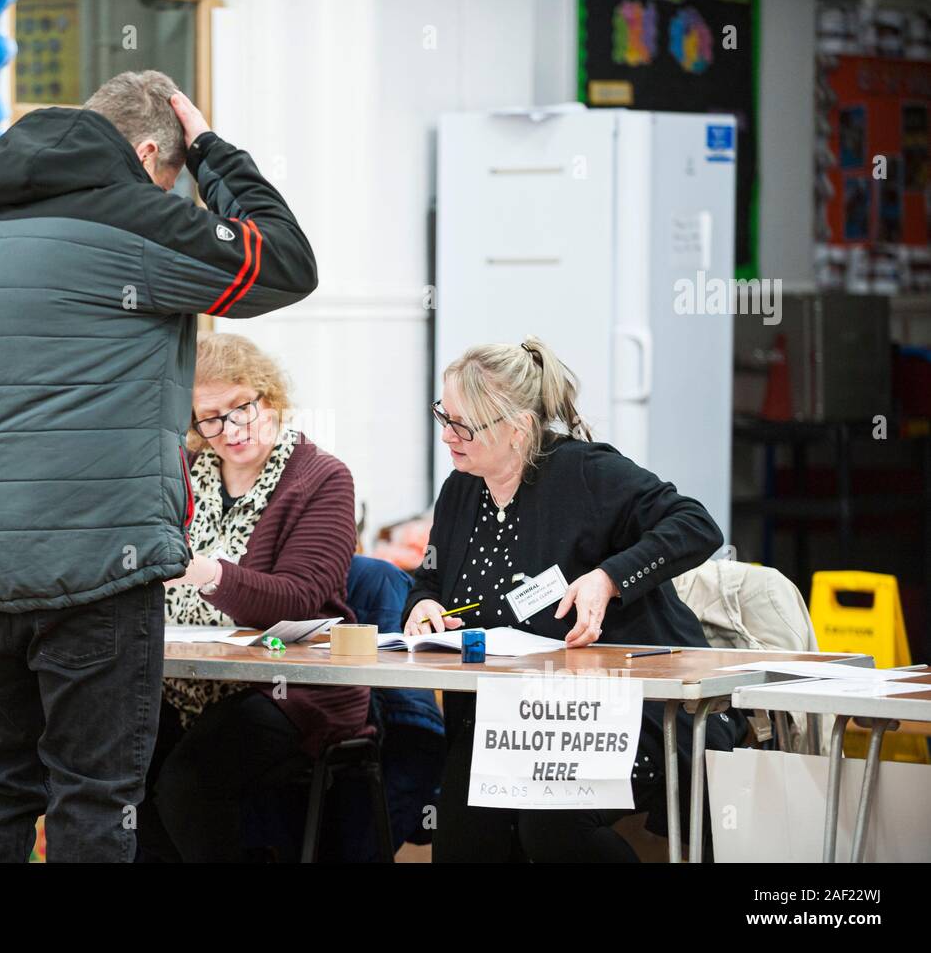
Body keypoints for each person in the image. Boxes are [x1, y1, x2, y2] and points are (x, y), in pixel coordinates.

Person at [0, 70, 318, 862]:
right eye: (173, 173)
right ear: (153, 151)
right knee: (94, 800)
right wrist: (214, 152)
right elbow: (285, 259)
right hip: (102, 574)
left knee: (0, 792)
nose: (173, 191)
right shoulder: (142, 224)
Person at [403, 336, 741, 862]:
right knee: (463, 834)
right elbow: (430, 580)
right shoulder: (461, 490)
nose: (447, 434)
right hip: (508, 723)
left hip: (624, 711)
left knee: (550, 825)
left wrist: (609, 578)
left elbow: (697, 526)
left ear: (516, 429)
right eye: (442, 415)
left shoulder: (585, 473)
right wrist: (422, 606)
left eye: (462, 425)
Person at [137, 332, 370, 862]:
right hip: (184, 679)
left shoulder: (321, 478)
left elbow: (301, 599)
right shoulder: (180, 478)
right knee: (119, 775)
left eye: (241, 408)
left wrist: (206, 573)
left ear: (270, 398)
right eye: (209, 418)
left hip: (293, 684)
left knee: (187, 786)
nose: (229, 429)